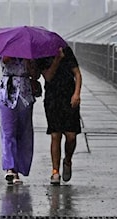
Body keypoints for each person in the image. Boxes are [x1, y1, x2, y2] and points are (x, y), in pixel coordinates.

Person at [37, 46, 82, 185]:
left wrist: (76, 94)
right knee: (55, 135)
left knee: (71, 136)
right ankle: (55, 171)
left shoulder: (66, 50)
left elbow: (77, 73)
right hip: (53, 99)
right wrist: (57, 59)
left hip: (69, 98)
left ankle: (67, 159)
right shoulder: (42, 55)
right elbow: (48, 76)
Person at [0, 56, 41, 185]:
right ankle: (11, 168)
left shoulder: (30, 54)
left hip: (25, 94)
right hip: (7, 92)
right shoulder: (8, 49)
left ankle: (19, 169)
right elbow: (4, 60)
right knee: (8, 132)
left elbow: (36, 75)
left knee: (23, 132)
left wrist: (29, 62)